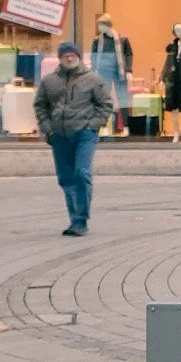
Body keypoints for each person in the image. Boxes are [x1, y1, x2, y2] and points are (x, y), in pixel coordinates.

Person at [34, 42, 114, 237]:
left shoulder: (92, 80)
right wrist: (48, 129)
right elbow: (40, 106)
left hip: (84, 134)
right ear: (59, 58)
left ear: (79, 57)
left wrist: (93, 125)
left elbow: (105, 104)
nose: (69, 58)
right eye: (65, 55)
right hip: (59, 135)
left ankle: (80, 220)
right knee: (66, 178)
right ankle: (74, 220)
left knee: (81, 173)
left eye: (72, 55)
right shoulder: (49, 81)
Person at [87, 15, 133, 137]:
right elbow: (93, 56)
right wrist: (94, 70)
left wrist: (129, 71)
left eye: (101, 25)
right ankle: (103, 127)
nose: (100, 28)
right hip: (103, 73)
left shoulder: (122, 39)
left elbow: (129, 55)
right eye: (99, 26)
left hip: (120, 72)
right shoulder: (97, 40)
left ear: (108, 25)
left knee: (122, 99)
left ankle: (126, 127)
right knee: (103, 101)